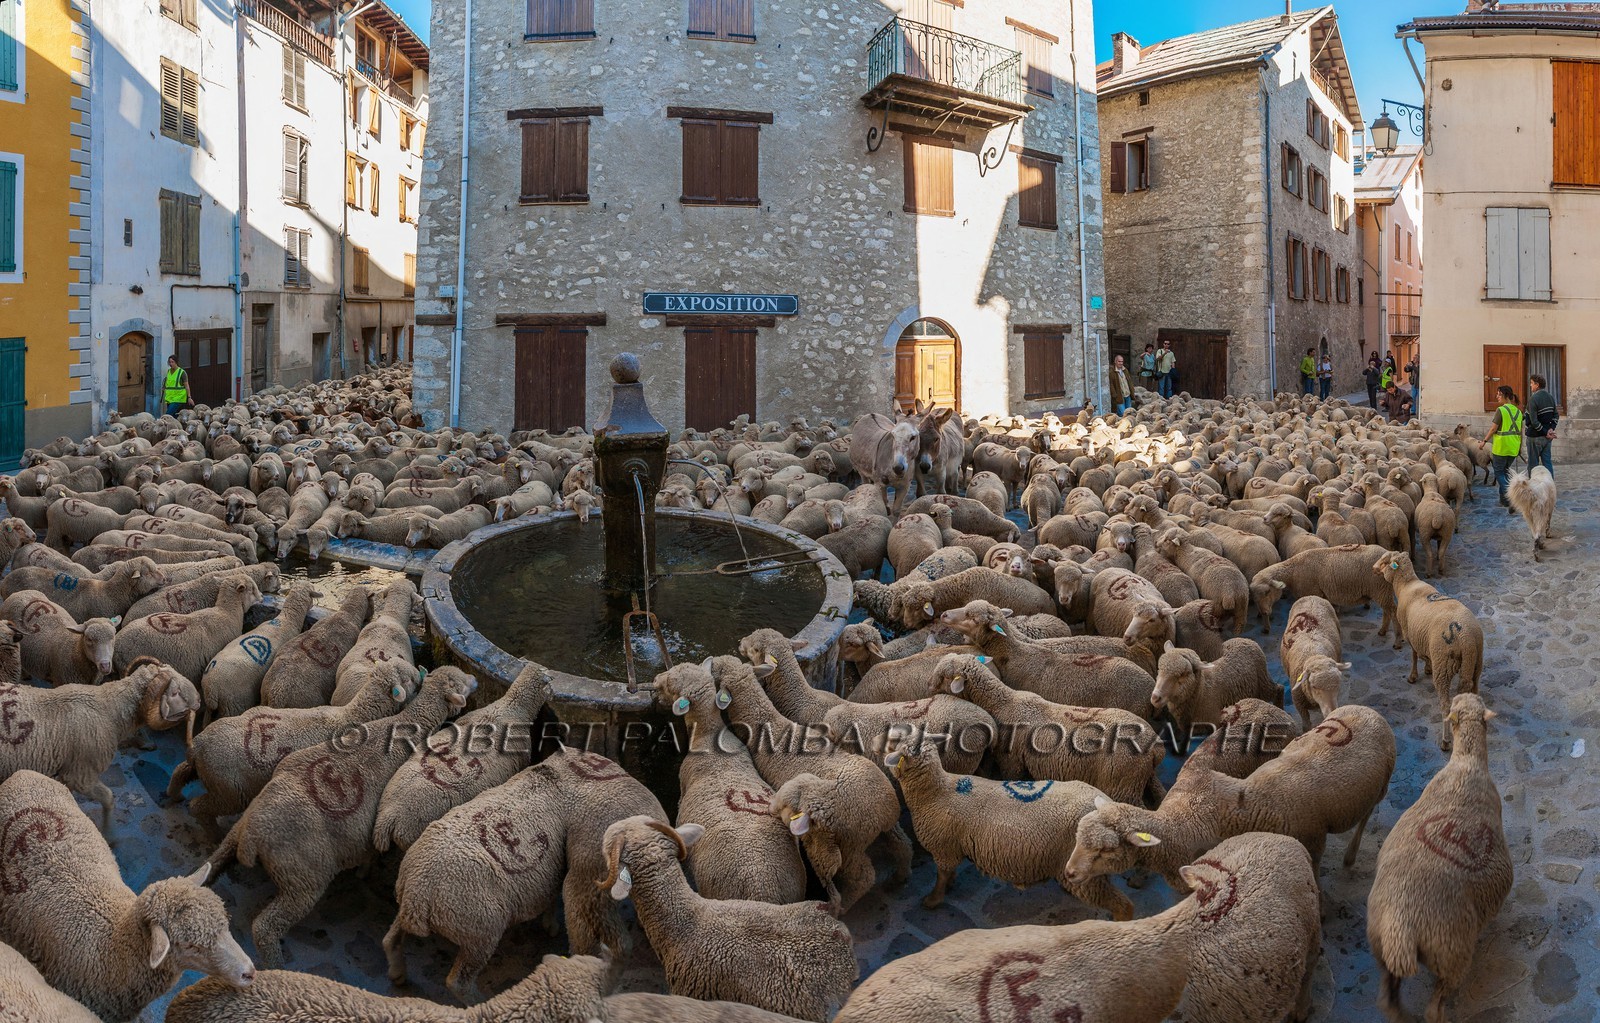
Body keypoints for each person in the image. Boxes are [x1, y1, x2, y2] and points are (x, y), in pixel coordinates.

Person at [1479, 385, 1524, 509]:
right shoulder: (1518, 411)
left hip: (1501, 447)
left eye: (1499, 394)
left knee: (1499, 472)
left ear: (1505, 395)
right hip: (1513, 447)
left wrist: (1484, 441)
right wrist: (1520, 446)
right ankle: (1504, 501)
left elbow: (1493, 428)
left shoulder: (1501, 410)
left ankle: (1512, 498)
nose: (1497, 396)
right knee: (1505, 471)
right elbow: (1521, 431)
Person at [1527, 374, 1558, 476]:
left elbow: (1534, 421)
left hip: (1535, 436)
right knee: (1547, 463)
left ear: (1537, 384)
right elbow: (1556, 416)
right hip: (1547, 438)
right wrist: (1550, 430)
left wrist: (1546, 432)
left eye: (1531, 383)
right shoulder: (1550, 397)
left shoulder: (1533, 399)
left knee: (1533, 465)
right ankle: (1550, 486)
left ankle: (1533, 487)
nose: (1530, 386)